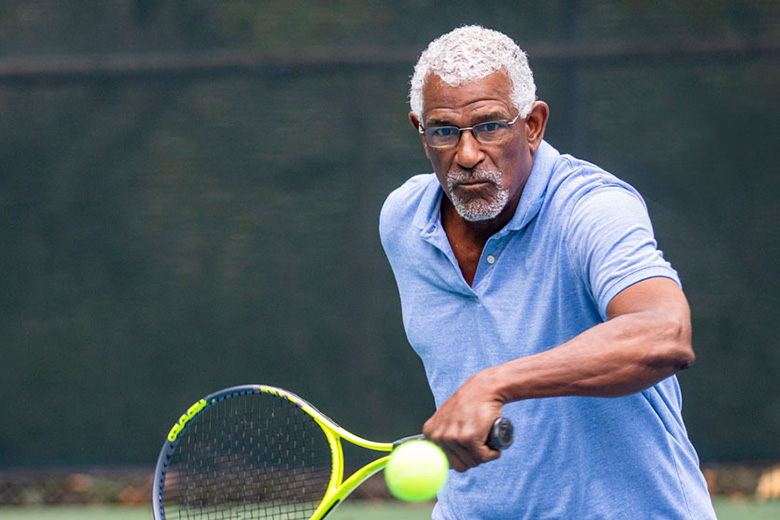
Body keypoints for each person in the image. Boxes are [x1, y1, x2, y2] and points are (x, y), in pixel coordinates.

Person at [379, 25, 716, 519]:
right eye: (445, 131)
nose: (467, 155)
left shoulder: (592, 208)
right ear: (421, 131)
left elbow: (665, 334)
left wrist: (493, 384)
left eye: (491, 125)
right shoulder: (402, 221)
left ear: (533, 125)